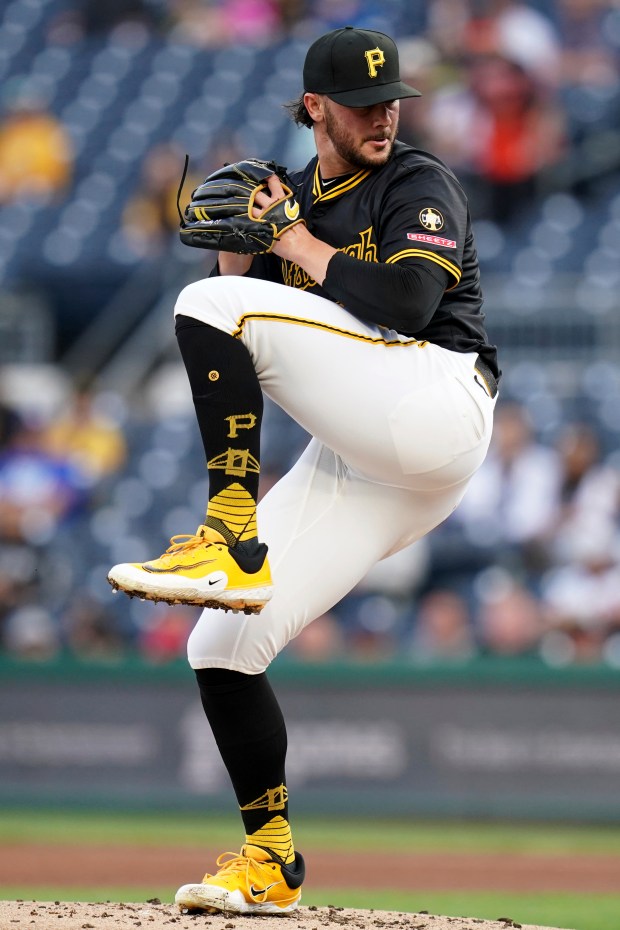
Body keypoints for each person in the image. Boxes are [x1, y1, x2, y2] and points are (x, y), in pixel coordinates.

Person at [108, 25, 499, 916]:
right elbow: (255, 315)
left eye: (392, 98)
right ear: (315, 108)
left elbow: (406, 304)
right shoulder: (299, 198)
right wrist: (245, 247)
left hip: (437, 403)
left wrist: (291, 241)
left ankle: (227, 532)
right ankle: (270, 857)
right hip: (370, 457)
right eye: (364, 104)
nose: (384, 114)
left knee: (209, 308)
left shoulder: (416, 181)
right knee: (220, 647)